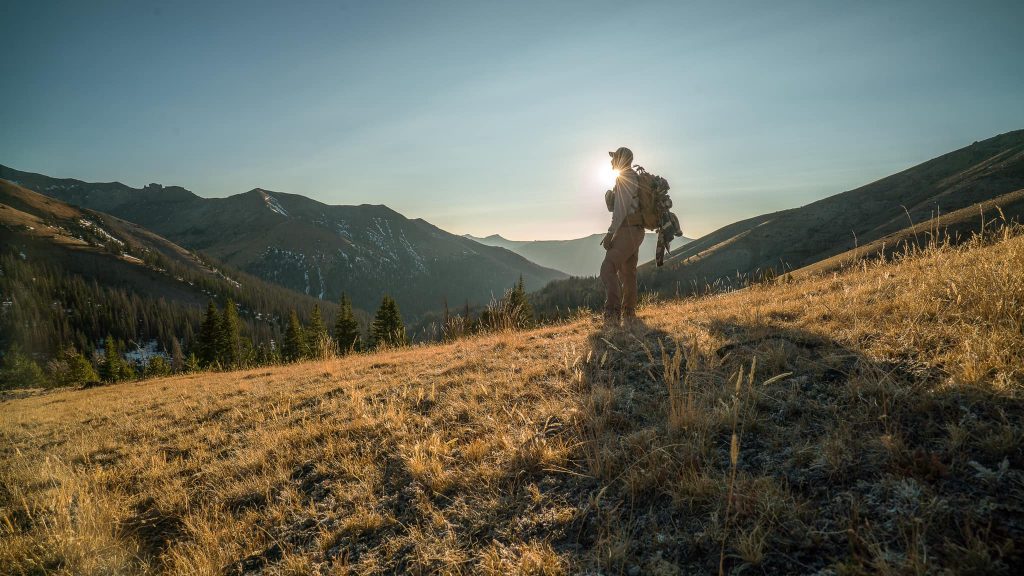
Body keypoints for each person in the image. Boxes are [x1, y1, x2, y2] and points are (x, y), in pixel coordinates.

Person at [600, 146, 645, 327]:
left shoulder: (624, 178)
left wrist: (611, 233)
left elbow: (620, 210)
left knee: (607, 268)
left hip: (627, 230)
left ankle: (612, 312)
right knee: (628, 272)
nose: (611, 161)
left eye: (614, 158)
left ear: (621, 160)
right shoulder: (635, 177)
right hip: (637, 230)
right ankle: (629, 312)